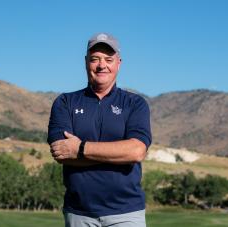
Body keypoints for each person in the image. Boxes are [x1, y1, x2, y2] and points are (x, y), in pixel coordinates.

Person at [47, 32, 152, 227]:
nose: (101, 65)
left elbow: (136, 151)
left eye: (108, 59)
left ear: (118, 63)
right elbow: (61, 153)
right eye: (95, 59)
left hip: (127, 213)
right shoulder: (65, 102)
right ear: (86, 62)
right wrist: (118, 155)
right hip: (79, 213)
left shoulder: (135, 104)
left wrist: (80, 148)